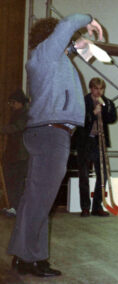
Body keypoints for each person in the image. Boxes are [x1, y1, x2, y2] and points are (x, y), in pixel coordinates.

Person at [7, 14, 103, 277]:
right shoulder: (45, 54)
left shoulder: (51, 58)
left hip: (51, 132)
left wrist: (85, 41)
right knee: (40, 200)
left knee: (36, 199)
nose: (68, 42)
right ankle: (29, 257)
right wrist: (89, 20)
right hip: (51, 133)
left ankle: (27, 256)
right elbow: (66, 26)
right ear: (51, 36)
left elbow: (74, 46)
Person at [74, 77, 117, 217]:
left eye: (101, 89)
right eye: (96, 88)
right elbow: (79, 120)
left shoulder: (108, 102)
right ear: (91, 88)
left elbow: (112, 118)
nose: (99, 92)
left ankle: (97, 206)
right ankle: (85, 207)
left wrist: (102, 108)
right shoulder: (82, 101)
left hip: (100, 143)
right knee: (84, 176)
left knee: (102, 175)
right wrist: (93, 114)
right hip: (85, 143)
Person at [0, 89, 29, 217]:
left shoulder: (24, 114)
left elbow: (17, 128)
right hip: (13, 154)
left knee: (17, 182)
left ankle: (16, 208)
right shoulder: (17, 113)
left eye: (13, 102)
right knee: (10, 180)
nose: (11, 105)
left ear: (20, 103)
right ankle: (12, 206)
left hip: (20, 155)